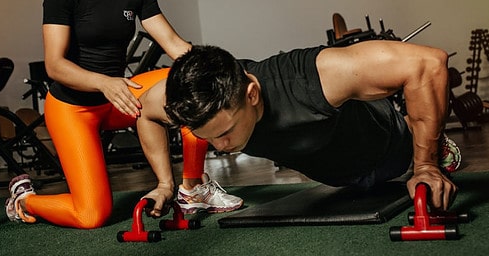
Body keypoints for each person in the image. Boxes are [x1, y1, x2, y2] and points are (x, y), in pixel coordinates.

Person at [136, 41, 462, 218]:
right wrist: (165, 184)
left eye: (226, 133)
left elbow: (428, 63)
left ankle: (435, 147)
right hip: (335, 176)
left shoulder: (312, 77)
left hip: (391, 150)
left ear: (252, 94)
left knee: (413, 149)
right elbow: (144, 114)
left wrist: (426, 166)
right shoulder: (190, 98)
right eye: (209, 137)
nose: (220, 147)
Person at [5, 0, 242, 229]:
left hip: (120, 98)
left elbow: (172, 42)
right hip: (73, 108)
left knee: (194, 85)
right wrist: (103, 83)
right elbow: (54, 65)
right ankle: (24, 200)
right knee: (90, 215)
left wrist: (224, 70)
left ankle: (192, 188)